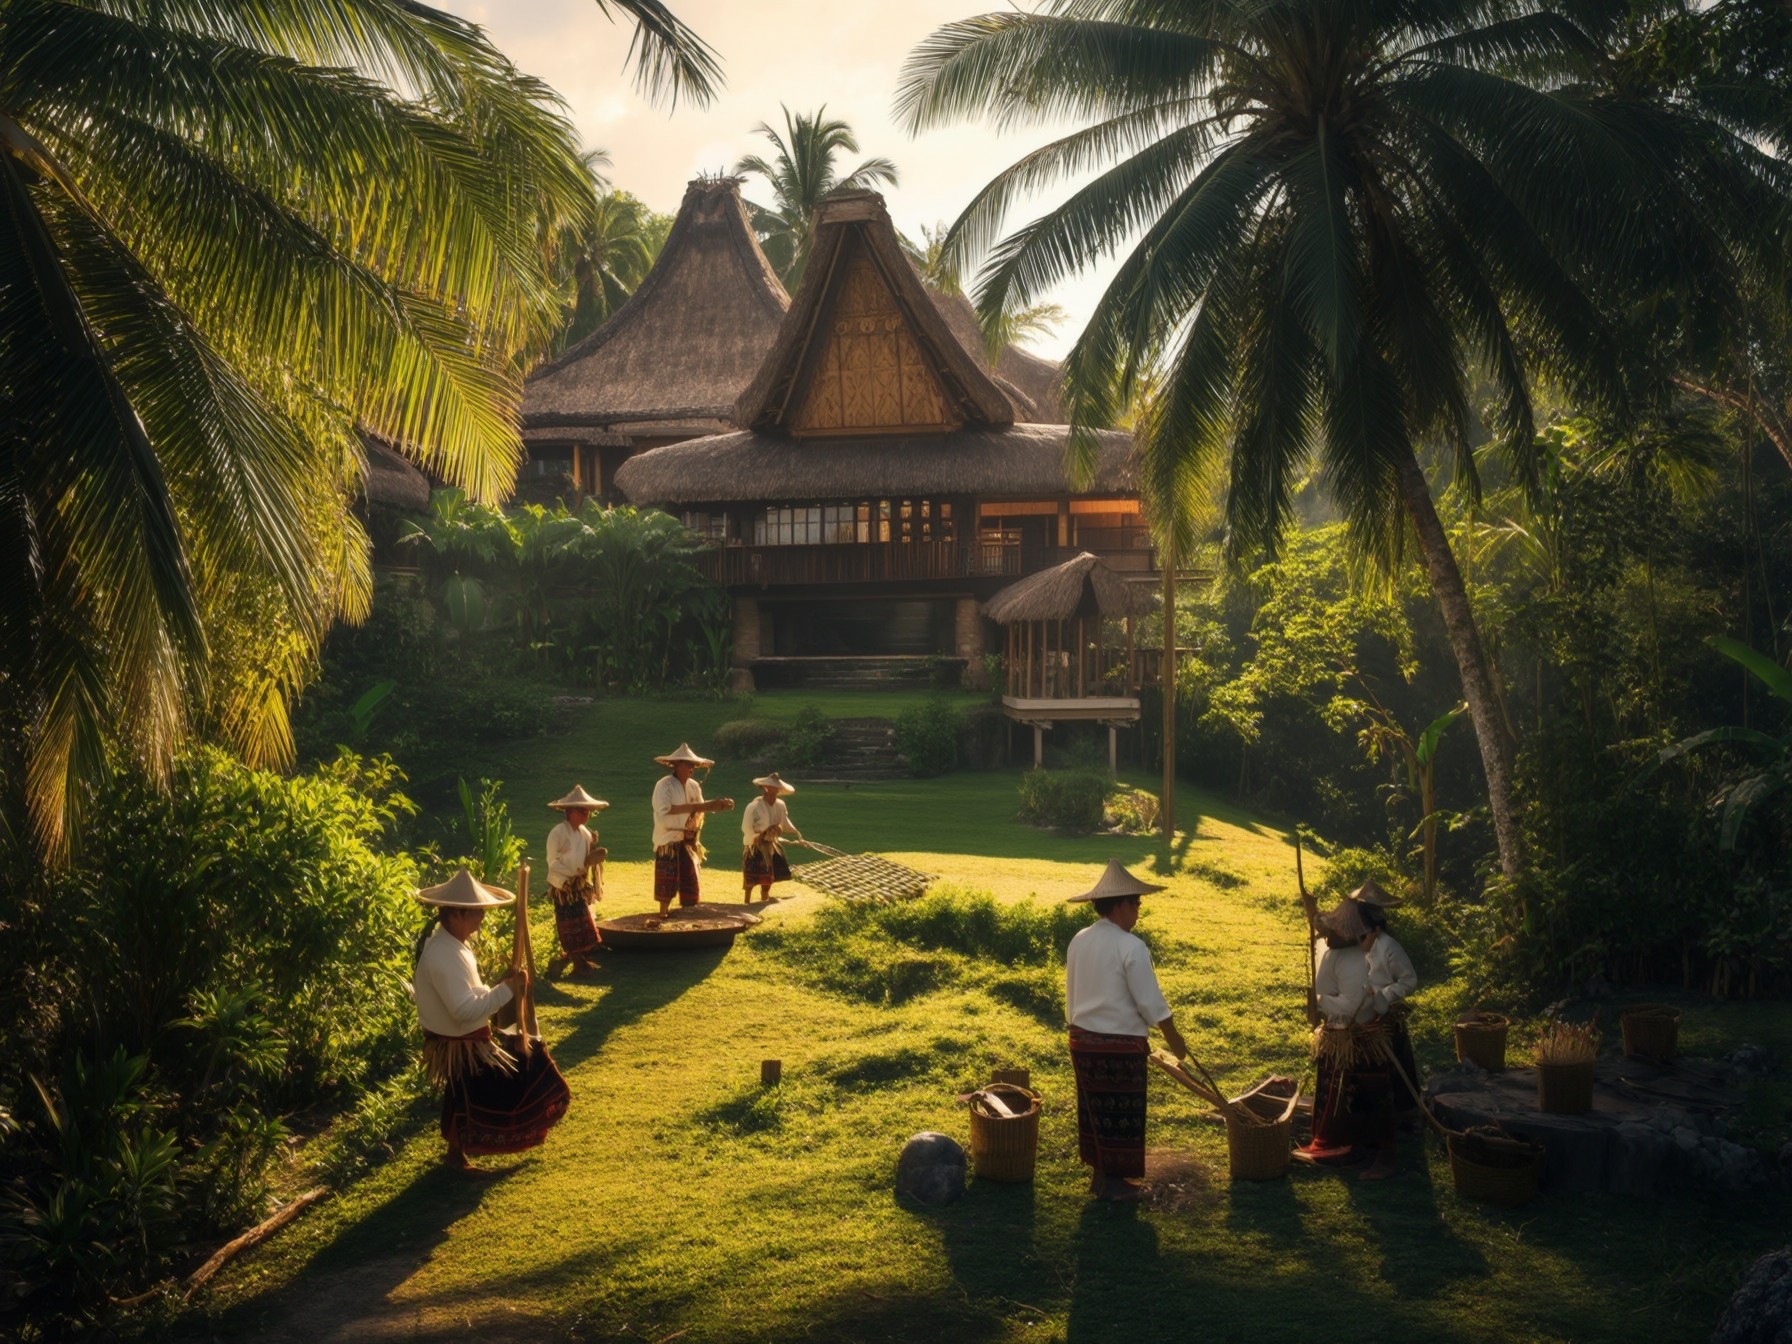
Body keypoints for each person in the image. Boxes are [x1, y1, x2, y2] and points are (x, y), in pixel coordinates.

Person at [413, 869, 569, 1173]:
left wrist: (500, 987)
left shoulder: (451, 943)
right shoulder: (444, 953)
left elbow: (469, 997)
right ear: (456, 914)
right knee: (521, 1070)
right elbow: (464, 1011)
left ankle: (455, 1155)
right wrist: (506, 990)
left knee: (464, 1093)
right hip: (460, 1038)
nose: (481, 919)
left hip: (463, 1035)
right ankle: (460, 1154)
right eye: (476, 914)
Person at [1063, 859, 1187, 1201]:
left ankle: (1102, 1176)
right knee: (1119, 1113)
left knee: (1095, 1113)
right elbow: (1151, 1003)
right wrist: (1176, 1042)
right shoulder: (1131, 946)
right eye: (1135, 903)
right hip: (1118, 1046)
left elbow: (1072, 992)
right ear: (1119, 905)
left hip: (1082, 1040)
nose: (1138, 911)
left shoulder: (1079, 940)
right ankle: (1114, 1184)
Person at [650, 743, 733, 916]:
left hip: (687, 839)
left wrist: (718, 806)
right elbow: (665, 810)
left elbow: (699, 809)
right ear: (676, 764)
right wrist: (703, 806)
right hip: (669, 839)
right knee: (667, 880)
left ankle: (689, 913)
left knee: (690, 879)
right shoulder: (664, 785)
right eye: (688, 764)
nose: (691, 769)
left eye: (693, 765)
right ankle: (663, 913)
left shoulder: (694, 786)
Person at [545, 785, 608, 977]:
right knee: (568, 923)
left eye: (587, 811)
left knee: (582, 920)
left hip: (577, 885)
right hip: (563, 886)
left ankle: (580, 960)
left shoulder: (585, 833)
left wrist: (593, 846)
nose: (586, 814)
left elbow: (586, 856)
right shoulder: (558, 832)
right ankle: (577, 963)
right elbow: (552, 862)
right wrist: (567, 880)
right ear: (570, 812)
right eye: (582, 811)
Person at [741, 772, 800, 902]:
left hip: (771, 843)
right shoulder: (754, 806)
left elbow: (784, 822)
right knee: (751, 877)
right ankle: (747, 900)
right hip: (755, 845)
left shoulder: (780, 805)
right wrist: (756, 837)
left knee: (768, 876)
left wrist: (796, 834)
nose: (775, 790)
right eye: (772, 787)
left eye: (777, 788)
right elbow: (746, 827)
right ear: (765, 788)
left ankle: (764, 897)